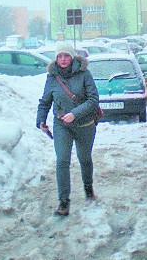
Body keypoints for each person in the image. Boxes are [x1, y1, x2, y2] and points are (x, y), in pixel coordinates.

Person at [36, 42, 99, 216]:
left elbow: (93, 100)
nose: (63, 59)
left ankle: (88, 187)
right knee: (62, 161)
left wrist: (75, 114)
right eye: (59, 56)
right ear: (56, 58)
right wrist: (41, 120)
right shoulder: (52, 77)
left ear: (72, 57)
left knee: (84, 158)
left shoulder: (84, 74)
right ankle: (64, 201)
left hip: (85, 124)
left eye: (66, 56)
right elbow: (45, 101)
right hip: (62, 125)